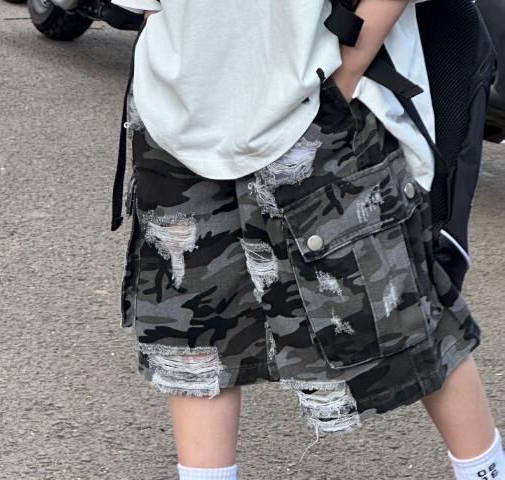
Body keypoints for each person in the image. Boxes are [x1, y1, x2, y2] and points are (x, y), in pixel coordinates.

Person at [110, 1, 505, 478]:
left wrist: (348, 70)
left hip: (315, 100)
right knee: (194, 337)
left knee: (402, 317)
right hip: (177, 108)